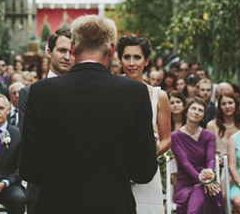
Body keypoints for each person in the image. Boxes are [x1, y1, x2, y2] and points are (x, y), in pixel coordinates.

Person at [21, 15, 158, 214]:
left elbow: (29, 168)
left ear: (74, 48)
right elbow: (144, 170)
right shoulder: (134, 93)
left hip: (57, 205)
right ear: (112, 51)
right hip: (114, 205)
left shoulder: (41, 92)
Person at [18, 28, 75, 214]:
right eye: (62, 50)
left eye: (72, 52)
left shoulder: (84, 94)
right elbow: (30, 139)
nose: (67, 56)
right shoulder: (29, 93)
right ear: (48, 51)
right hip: (41, 187)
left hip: (77, 188)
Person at [118, 34, 172, 213]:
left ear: (146, 61)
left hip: (146, 172)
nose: (132, 63)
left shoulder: (159, 96)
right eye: (127, 57)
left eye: (137, 57)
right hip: (116, 172)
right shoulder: (110, 92)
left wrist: (145, 156)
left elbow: (166, 139)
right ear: (120, 60)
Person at [171, 97, 225, 213]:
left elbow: (210, 160)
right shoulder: (175, 136)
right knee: (200, 189)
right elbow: (185, 163)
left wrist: (209, 178)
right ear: (186, 111)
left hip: (207, 182)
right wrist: (204, 181)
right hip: (185, 185)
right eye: (193, 108)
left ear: (204, 115)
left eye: (200, 110)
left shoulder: (208, 135)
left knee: (202, 189)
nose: (196, 112)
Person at [207, 90, 240, 197]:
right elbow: (210, 150)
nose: (227, 106)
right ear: (219, 107)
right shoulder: (212, 125)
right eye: (223, 104)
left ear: (236, 104)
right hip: (221, 166)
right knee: (224, 184)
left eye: (230, 103)